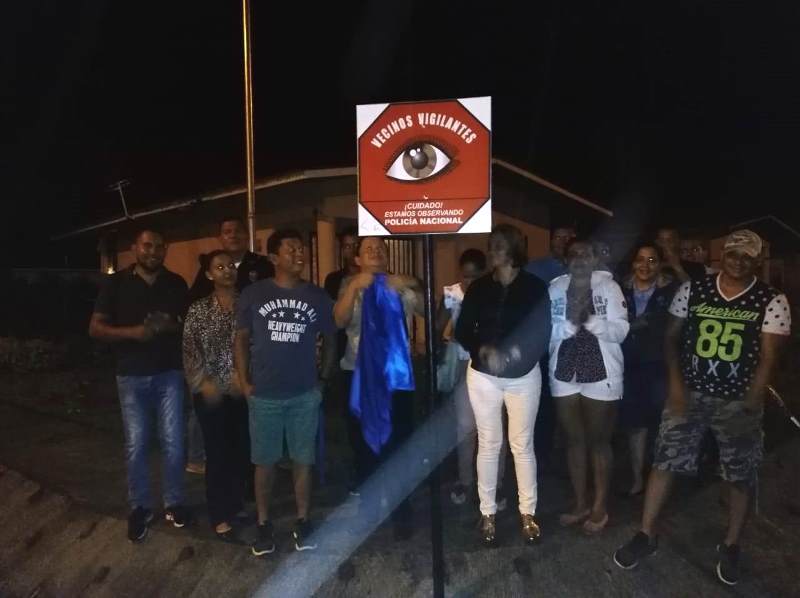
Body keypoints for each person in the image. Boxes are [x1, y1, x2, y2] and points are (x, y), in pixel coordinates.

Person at [613, 230, 791, 586]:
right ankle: (646, 533)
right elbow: (671, 339)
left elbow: (770, 357)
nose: (738, 261)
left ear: (757, 261)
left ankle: (731, 544)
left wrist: (754, 395)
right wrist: (677, 385)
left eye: (747, 256)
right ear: (721, 255)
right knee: (665, 462)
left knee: (738, 474)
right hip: (691, 394)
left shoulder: (772, 299)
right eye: (733, 253)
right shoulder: (694, 290)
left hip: (736, 400)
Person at [235, 229, 337, 555]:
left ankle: (303, 520)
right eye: (291, 249)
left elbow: (331, 339)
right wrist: (244, 381)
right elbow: (241, 339)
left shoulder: (317, 296)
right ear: (274, 257)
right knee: (264, 462)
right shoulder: (254, 293)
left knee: (302, 460)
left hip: (304, 393)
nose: (299, 254)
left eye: (301, 248)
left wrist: (323, 380)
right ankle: (264, 523)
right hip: (264, 393)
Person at [88, 229, 191, 543]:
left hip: (170, 373)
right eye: (147, 245)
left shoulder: (176, 283)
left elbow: (188, 325)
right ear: (135, 247)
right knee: (137, 443)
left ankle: (174, 503)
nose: (153, 251)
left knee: (174, 441)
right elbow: (95, 328)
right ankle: (140, 507)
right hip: (131, 375)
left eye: (159, 246)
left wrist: (168, 325)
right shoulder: (116, 283)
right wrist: (134, 333)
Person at [455, 224, 551, 545]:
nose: (492, 250)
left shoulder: (535, 288)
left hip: (523, 376)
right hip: (484, 376)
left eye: (498, 245)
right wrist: (482, 350)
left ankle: (528, 513)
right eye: (491, 245)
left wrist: (511, 357)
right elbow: (464, 330)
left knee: (521, 445)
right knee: (489, 443)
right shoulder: (480, 287)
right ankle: (488, 513)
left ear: (513, 249)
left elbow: (541, 334)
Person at [334, 236, 423, 540]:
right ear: (357, 258)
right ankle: (369, 510)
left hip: (396, 377)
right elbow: (339, 320)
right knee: (363, 447)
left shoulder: (398, 285)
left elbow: (427, 308)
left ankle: (402, 511)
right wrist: (354, 288)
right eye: (368, 249)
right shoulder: (349, 285)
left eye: (380, 248)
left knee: (400, 444)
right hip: (359, 376)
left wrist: (411, 281)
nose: (375, 252)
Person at [549, 240, 629, 534]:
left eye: (586, 254)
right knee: (574, 441)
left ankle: (599, 505)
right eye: (574, 254)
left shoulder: (609, 287)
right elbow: (546, 330)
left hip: (601, 369)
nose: (580, 259)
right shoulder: (554, 289)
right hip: (564, 370)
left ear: (595, 259)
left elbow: (621, 330)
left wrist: (592, 321)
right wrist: (570, 325)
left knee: (599, 441)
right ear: (566, 260)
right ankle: (581, 502)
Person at [183, 250, 250, 542]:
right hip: (210, 393)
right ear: (209, 274)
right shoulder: (198, 309)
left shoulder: (248, 305)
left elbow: (257, 344)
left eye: (230, 265)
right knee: (218, 452)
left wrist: (245, 377)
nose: (227, 270)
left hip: (242, 390)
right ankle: (219, 514)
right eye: (219, 267)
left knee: (241, 450)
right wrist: (203, 383)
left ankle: (236, 504)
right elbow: (189, 350)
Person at [436, 249, 509, 508]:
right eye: (465, 276)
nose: (469, 281)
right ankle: (465, 480)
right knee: (465, 426)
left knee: (494, 427)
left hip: (490, 365)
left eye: (474, 276)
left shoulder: (496, 291)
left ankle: (496, 483)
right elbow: (438, 326)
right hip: (463, 362)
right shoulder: (452, 294)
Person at [619, 244, 677, 496]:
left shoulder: (671, 291)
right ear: (633, 263)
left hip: (659, 364)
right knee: (634, 424)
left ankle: (660, 477)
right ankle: (637, 477)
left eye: (652, 260)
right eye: (640, 259)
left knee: (660, 422)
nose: (645, 265)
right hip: (627, 365)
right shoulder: (619, 289)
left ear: (660, 264)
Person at [189, 217, 274, 301]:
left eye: (238, 231)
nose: (233, 235)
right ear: (220, 238)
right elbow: (194, 299)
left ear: (247, 235)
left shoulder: (265, 264)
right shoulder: (210, 267)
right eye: (227, 232)